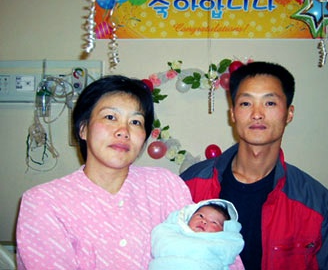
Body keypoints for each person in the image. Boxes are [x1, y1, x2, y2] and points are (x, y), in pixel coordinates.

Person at [180, 61, 328, 270]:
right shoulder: (189, 185)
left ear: (289, 113)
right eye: (246, 103)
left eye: (270, 103)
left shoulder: (318, 204)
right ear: (233, 114)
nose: (257, 114)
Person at [15, 75, 194, 270]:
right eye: (110, 117)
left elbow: (207, 249)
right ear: (83, 130)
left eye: (135, 122)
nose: (123, 131)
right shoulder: (44, 203)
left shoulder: (165, 185)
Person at [149, 199, 244, 270]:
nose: (204, 221)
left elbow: (231, 247)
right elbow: (161, 238)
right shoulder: (175, 231)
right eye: (200, 216)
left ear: (223, 231)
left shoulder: (220, 242)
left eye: (214, 222)